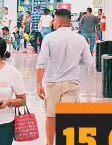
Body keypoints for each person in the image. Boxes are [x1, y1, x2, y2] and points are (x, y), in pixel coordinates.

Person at [36, 9, 93, 145]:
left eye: (54, 20)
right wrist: (73, 61)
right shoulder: (80, 39)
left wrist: (38, 84)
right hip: (72, 83)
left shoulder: (49, 38)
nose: (53, 23)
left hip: (52, 83)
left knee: (51, 116)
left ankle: (50, 143)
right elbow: (89, 62)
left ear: (59, 21)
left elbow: (41, 63)